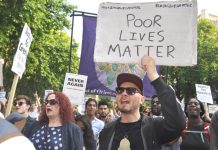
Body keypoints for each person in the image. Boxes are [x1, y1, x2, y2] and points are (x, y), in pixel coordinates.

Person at [98, 55, 185, 150]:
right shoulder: (106, 131)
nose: (124, 93)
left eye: (130, 90)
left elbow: (178, 123)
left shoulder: (154, 127)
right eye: (120, 90)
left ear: (142, 99)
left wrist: (155, 77)